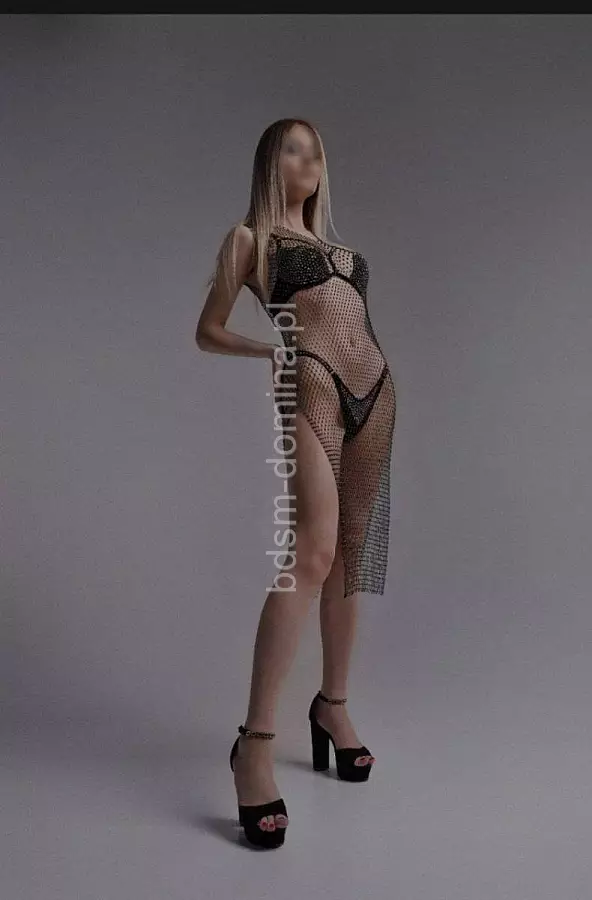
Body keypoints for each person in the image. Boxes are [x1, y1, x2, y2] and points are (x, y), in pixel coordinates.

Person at [196, 118, 396, 849]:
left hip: (377, 390)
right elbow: (207, 328)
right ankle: (255, 742)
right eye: (293, 146)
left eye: (315, 149)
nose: (309, 158)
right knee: (310, 552)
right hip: (311, 383)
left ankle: (332, 706)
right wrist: (268, 352)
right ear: (269, 161)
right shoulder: (249, 240)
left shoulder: (334, 245)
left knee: (348, 554)